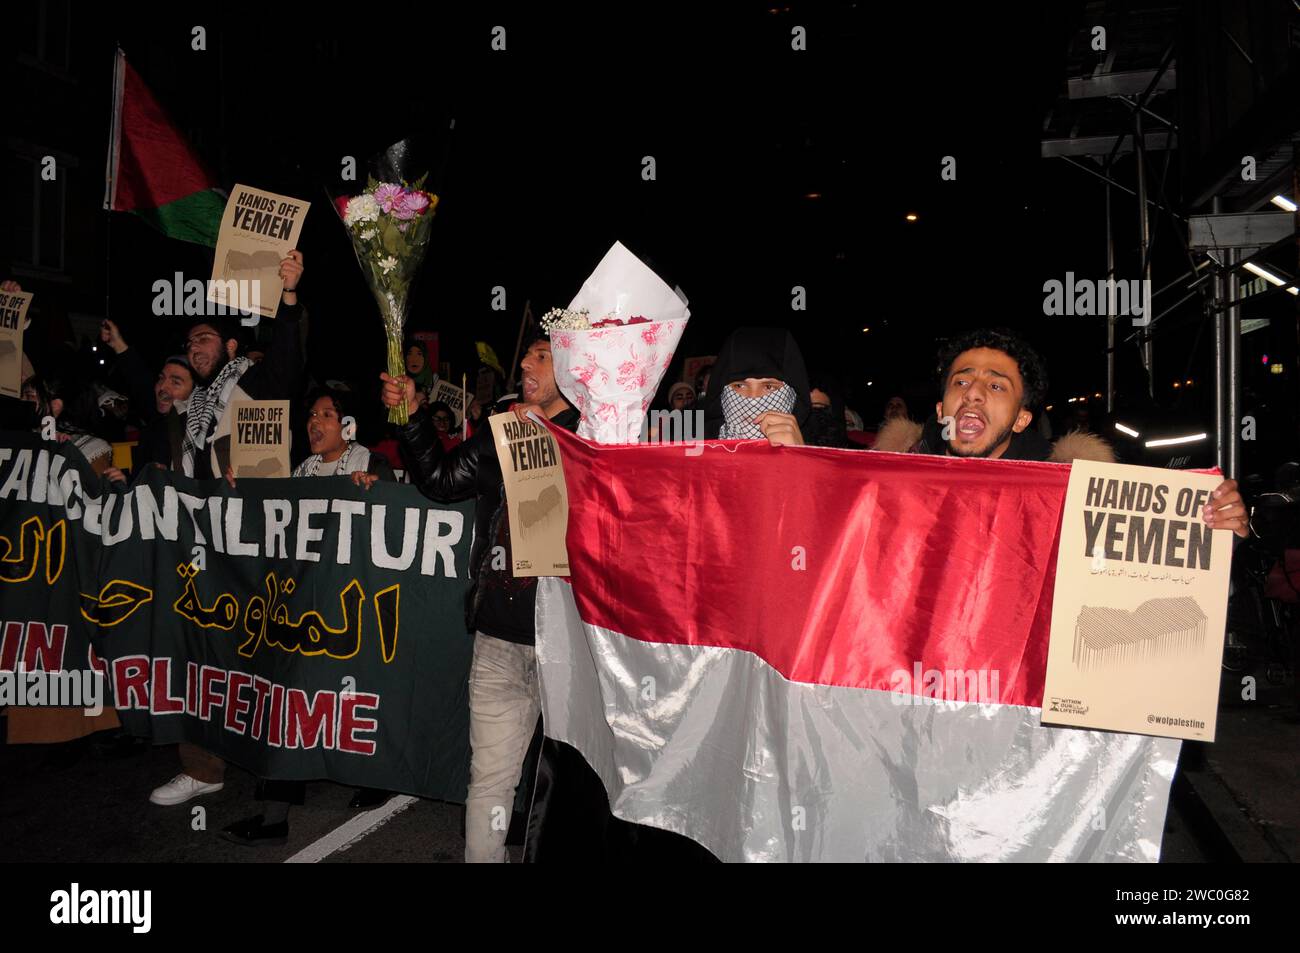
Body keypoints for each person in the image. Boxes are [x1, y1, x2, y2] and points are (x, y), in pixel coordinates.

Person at [381, 333, 579, 862]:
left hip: (571, 644)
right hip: (498, 635)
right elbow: (441, 481)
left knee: (569, 788)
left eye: (543, 356)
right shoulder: (502, 433)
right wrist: (414, 417)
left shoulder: (598, 439)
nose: (526, 365)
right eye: (527, 356)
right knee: (490, 779)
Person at [873, 327, 1250, 534]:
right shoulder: (881, 487)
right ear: (941, 410)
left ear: (1022, 419)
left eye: (996, 385)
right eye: (961, 382)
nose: (972, 393)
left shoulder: (1075, 497)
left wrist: (1217, 526)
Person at [180, 250, 306, 479]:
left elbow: (285, 361)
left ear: (230, 346)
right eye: (189, 345)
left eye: (203, 339)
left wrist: (288, 293)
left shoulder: (254, 382)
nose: (194, 348)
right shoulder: (193, 403)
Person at [702, 327, 811, 447]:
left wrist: (800, 455)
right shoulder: (693, 446)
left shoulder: (825, 451)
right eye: (740, 386)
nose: (753, 400)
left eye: (769, 387)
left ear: (793, 395)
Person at [21, 374, 113, 475]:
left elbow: (98, 488)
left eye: (29, 396)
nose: (22, 400)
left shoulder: (92, 447)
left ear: (56, 405)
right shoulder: (24, 434)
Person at [404, 339, 437, 409]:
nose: (414, 359)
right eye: (410, 354)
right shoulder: (399, 380)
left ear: (425, 357)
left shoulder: (435, 380)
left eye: (419, 354)